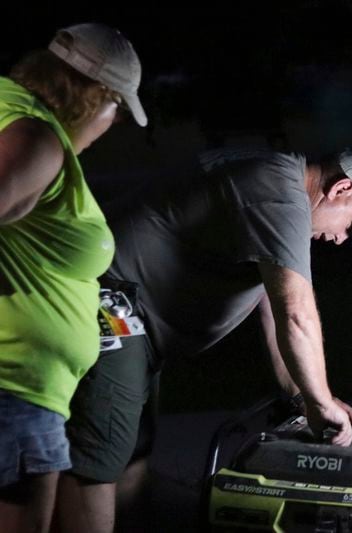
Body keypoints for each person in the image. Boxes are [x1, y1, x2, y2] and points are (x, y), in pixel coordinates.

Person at [56, 149, 352, 532]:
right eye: (351, 225)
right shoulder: (280, 191)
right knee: (97, 461)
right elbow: (296, 311)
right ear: (341, 189)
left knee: (131, 455)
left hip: (137, 316)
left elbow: (272, 305)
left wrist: (303, 396)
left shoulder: (278, 196)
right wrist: (320, 402)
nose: (339, 239)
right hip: (111, 302)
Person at [0, 23, 147, 532]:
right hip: (15, 386)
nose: (113, 124)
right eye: (118, 111)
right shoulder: (37, 137)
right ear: (95, 95)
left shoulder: (9, 108)